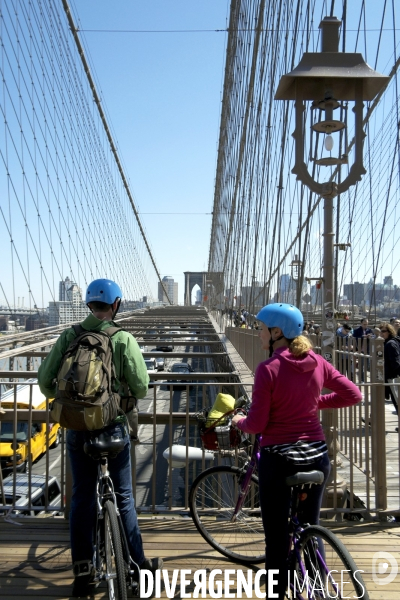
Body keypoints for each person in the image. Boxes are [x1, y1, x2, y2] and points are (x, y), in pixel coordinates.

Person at [38, 278, 163, 597]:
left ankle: (83, 571)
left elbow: (44, 382)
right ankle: (138, 566)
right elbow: (141, 387)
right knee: (123, 497)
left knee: (81, 496)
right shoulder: (122, 339)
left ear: (88, 305)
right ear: (117, 305)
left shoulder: (69, 335)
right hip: (113, 428)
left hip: (77, 430)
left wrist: (65, 401)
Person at [231, 303, 361, 600]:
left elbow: (258, 423)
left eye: (261, 328)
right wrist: (315, 403)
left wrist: (239, 421)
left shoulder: (268, 369)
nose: (258, 333)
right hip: (317, 455)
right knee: (311, 527)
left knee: (277, 539)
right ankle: (319, 588)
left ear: (277, 333)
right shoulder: (316, 360)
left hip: (279, 460)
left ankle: (277, 594)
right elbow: (354, 394)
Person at [380, 322, 400, 415]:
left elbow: (395, 362)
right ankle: (373, 418)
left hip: (392, 376)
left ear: (389, 332)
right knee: (379, 396)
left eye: (383, 331)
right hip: (389, 375)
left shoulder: (390, 344)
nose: (381, 333)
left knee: (396, 400)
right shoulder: (389, 342)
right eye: (380, 331)